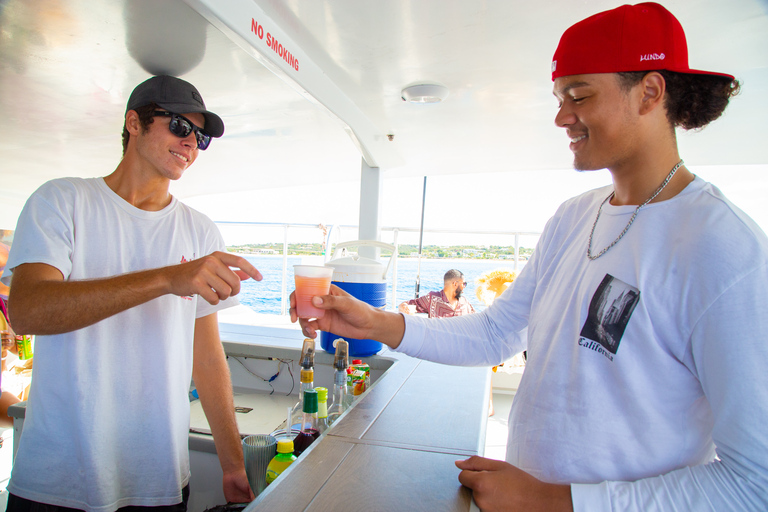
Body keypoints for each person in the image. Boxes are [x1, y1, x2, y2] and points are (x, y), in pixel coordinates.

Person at [291, 3, 768, 511]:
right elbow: (498, 333)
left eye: (579, 95)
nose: (562, 117)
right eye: (560, 97)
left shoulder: (722, 248)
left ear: (649, 92)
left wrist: (554, 501)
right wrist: (373, 323)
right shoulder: (572, 218)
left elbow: (753, 483)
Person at [1, 75, 263, 511]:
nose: (191, 144)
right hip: (56, 480)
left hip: (157, 478)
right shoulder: (62, 201)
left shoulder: (199, 231)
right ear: (135, 123)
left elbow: (207, 354)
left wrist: (232, 463)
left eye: (200, 137)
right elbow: (27, 312)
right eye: (180, 126)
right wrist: (165, 279)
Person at [398, 269, 475, 318]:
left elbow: (475, 318)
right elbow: (408, 304)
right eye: (464, 284)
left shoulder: (464, 302)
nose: (464, 286)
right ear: (455, 284)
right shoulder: (433, 298)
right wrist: (404, 307)